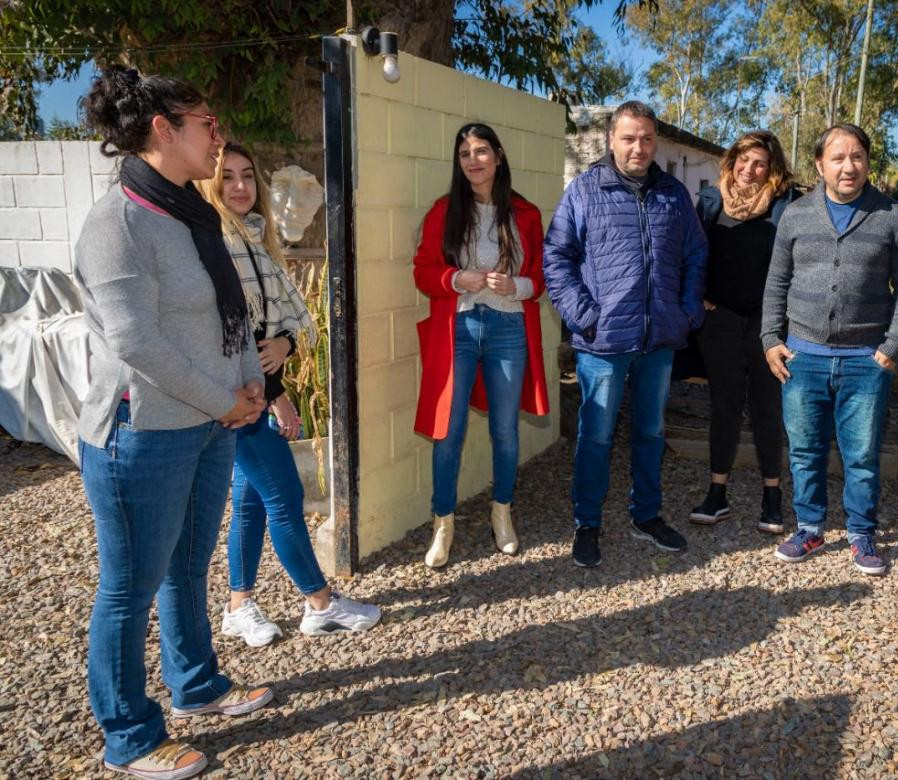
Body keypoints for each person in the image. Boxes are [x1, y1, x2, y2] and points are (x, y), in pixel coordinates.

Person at [75, 66, 271, 780]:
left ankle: (197, 687)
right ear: (163, 129)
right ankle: (128, 736)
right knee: (128, 587)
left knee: (188, 567)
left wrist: (249, 377)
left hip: (211, 421)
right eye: (207, 125)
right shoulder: (117, 220)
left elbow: (230, 309)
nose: (218, 136)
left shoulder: (190, 212)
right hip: (143, 433)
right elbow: (134, 341)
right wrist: (222, 401)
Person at [197, 143, 380, 645]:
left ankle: (238, 605)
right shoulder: (213, 241)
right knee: (284, 495)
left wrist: (284, 354)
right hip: (232, 397)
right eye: (227, 177)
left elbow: (275, 327)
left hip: (256, 392)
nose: (239, 186)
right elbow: (229, 332)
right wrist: (266, 381)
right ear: (209, 185)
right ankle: (319, 603)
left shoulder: (258, 240)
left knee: (252, 499)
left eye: (247, 176)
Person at [544, 100, 707, 568]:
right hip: (603, 342)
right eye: (629, 138)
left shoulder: (673, 194)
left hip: (658, 339)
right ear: (611, 140)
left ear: (655, 142)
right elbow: (557, 257)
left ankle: (646, 515)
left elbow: (696, 254)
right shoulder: (585, 191)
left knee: (651, 431)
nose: (639, 147)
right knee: (595, 436)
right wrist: (583, 315)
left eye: (647, 138)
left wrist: (688, 309)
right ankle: (588, 522)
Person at [761, 123, 898, 577]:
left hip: (865, 358)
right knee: (805, 450)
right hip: (803, 357)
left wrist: (892, 346)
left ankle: (861, 532)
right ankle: (809, 526)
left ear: (868, 162)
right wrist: (771, 339)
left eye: (857, 157)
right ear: (819, 165)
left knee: (862, 453)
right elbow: (776, 282)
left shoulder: (892, 215)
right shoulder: (795, 214)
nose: (848, 166)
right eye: (838, 158)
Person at [413, 123, 549, 568]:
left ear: (499, 155)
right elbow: (422, 271)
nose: (473, 160)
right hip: (459, 327)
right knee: (448, 431)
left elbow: (544, 279)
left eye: (482, 151)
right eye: (465, 153)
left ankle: (502, 514)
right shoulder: (443, 211)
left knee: (505, 431)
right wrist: (456, 278)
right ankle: (443, 525)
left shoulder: (525, 213)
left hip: (509, 327)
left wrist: (519, 284)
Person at [690, 130, 800, 533]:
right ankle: (717, 493)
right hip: (720, 320)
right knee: (725, 407)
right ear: (732, 160)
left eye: (760, 163)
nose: (750, 170)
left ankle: (772, 496)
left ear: (772, 167)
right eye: (744, 160)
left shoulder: (787, 203)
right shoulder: (709, 199)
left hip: (769, 325)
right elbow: (690, 251)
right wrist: (697, 295)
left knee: (768, 409)